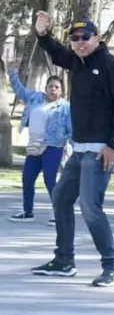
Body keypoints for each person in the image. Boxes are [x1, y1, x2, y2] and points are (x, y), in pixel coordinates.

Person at [29, 16, 114, 288]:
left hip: (100, 151)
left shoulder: (109, 65)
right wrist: (43, 35)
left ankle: (113, 265)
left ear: (97, 38)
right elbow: (56, 52)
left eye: (85, 37)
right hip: (79, 149)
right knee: (61, 199)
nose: (79, 43)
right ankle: (64, 260)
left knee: (90, 208)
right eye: (74, 39)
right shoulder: (77, 62)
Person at [7, 58, 71, 224]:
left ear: (62, 91)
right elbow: (19, 91)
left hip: (53, 146)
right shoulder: (35, 98)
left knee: (50, 179)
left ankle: (57, 213)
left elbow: (71, 129)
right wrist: (12, 72)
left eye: (56, 87)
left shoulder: (65, 107)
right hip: (34, 146)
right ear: (45, 88)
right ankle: (27, 211)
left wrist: (74, 147)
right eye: (50, 86)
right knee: (27, 178)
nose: (53, 90)